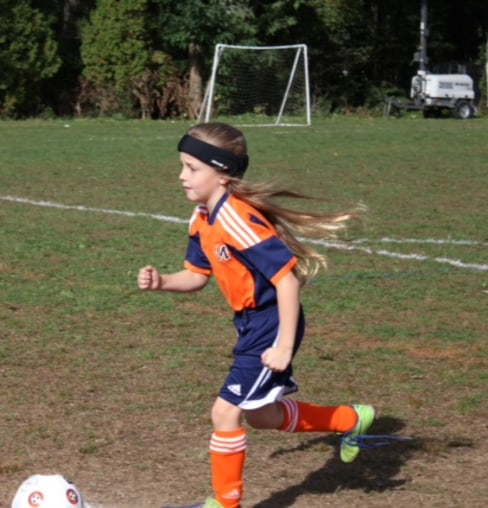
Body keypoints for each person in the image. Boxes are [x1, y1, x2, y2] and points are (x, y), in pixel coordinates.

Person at [137, 122, 374, 508]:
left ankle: (225, 504)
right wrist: (163, 281)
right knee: (262, 415)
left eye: (192, 168)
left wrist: (282, 346)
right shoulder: (202, 216)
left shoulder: (235, 220)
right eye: (182, 165)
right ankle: (350, 419)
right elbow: (196, 276)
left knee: (224, 412)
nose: (182, 176)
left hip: (272, 323)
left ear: (222, 173)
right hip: (251, 325)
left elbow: (288, 280)